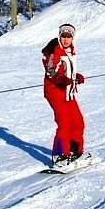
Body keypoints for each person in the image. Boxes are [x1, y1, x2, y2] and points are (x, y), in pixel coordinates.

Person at [41, 23, 87, 167]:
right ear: (59, 36)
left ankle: (73, 151)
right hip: (55, 92)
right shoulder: (54, 50)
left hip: (68, 93)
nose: (66, 39)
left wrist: (75, 76)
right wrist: (59, 79)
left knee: (78, 122)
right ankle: (59, 155)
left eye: (69, 36)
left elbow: (67, 69)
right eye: (63, 36)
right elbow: (50, 70)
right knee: (64, 124)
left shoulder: (70, 51)